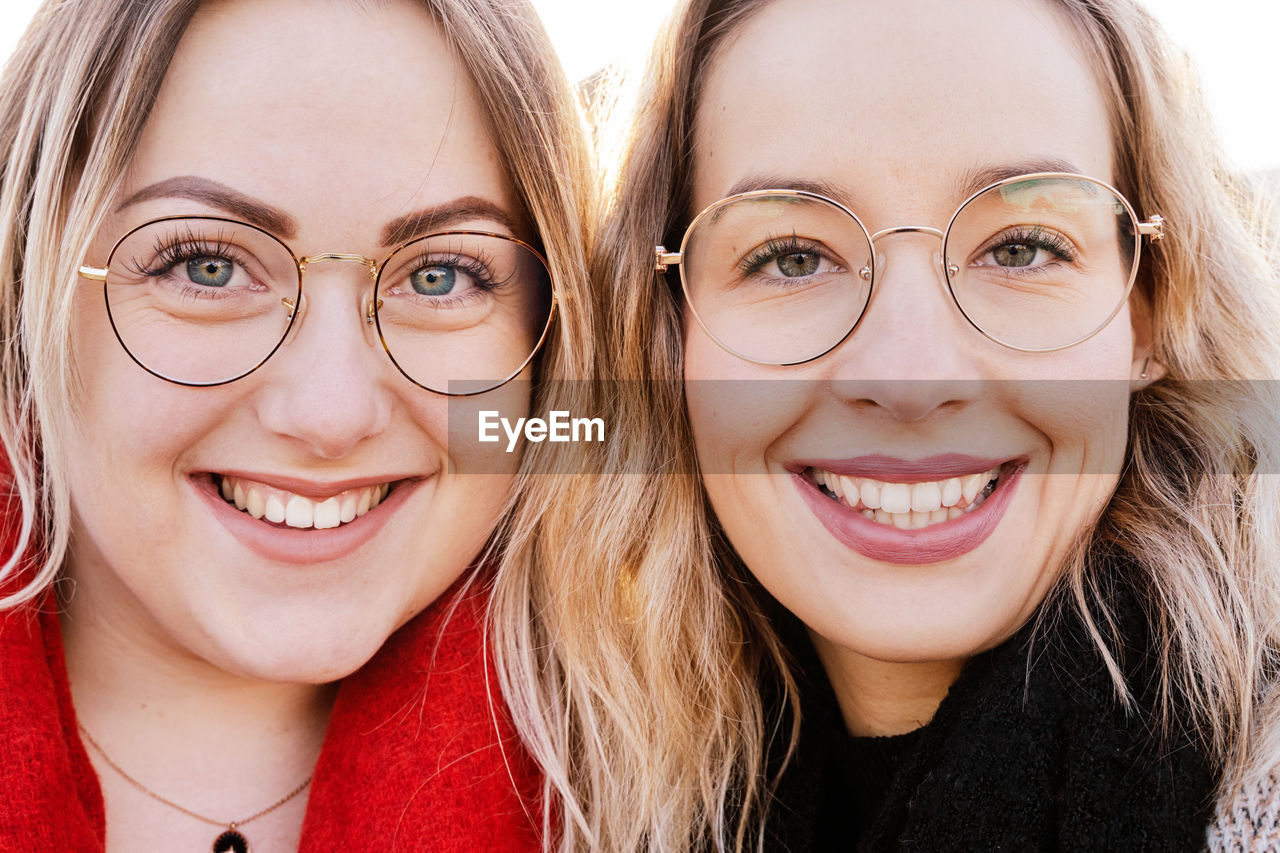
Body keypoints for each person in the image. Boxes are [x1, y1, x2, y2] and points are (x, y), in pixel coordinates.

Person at [494, 0, 1280, 849]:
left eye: (1021, 248)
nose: (911, 374)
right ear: (665, 333)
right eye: (793, 257)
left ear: (1153, 304)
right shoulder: (580, 796)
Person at [0, 0, 593, 850]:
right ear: (27, 277)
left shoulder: (716, 777)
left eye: (438, 277)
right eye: (207, 265)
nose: (330, 414)